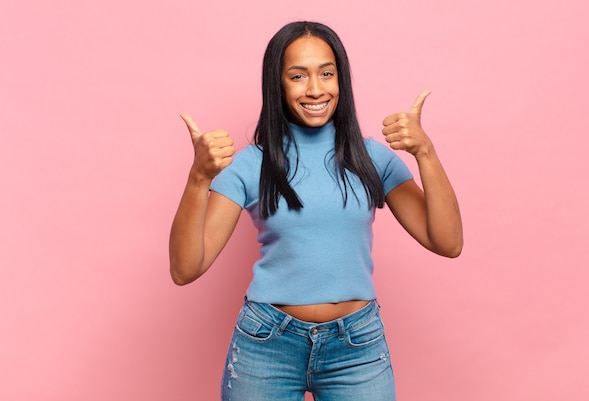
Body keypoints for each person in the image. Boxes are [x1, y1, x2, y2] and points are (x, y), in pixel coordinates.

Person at [169, 21, 463, 401]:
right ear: (277, 84)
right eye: (298, 76)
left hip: (356, 348)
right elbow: (185, 268)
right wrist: (198, 178)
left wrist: (426, 152)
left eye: (327, 73)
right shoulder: (249, 165)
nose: (315, 89)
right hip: (267, 344)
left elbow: (448, 241)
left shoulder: (371, 157)